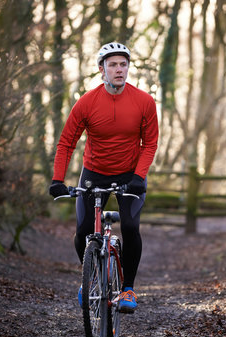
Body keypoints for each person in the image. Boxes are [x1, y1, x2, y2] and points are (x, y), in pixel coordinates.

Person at [48, 42, 158, 313]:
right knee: (83, 232)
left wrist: (138, 176)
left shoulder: (144, 101)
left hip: (129, 176)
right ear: (102, 70)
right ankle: (91, 279)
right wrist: (57, 180)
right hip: (93, 173)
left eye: (123, 64)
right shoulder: (87, 102)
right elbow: (65, 143)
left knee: (131, 228)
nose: (119, 70)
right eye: (113, 65)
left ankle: (128, 288)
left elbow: (150, 144)